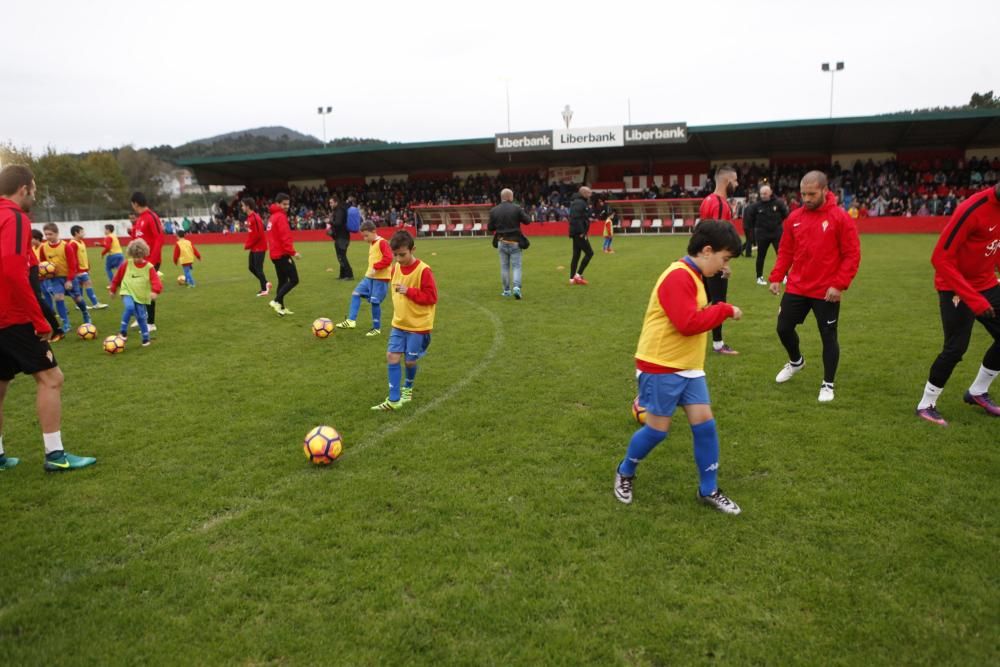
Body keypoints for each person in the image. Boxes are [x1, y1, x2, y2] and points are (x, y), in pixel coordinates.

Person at [612, 220, 744, 514]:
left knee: (705, 427)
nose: (725, 266)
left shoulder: (695, 275)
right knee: (658, 431)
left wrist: (717, 278)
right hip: (661, 365)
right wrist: (724, 309)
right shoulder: (678, 276)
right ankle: (625, 471)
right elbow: (687, 324)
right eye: (724, 258)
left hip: (688, 366)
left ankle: (708, 489)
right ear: (707, 251)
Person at [0, 164, 97, 471]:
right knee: (51, 378)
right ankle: (55, 456)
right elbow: (12, 271)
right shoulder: (15, 217)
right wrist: (40, 320)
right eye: (35, 189)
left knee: (0, 384)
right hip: (12, 315)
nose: (35, 194)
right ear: (23, 188)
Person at [768, 171, 861, 403]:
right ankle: (796, 361)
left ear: (825, 191)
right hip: (797, 286)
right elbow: (786, 250)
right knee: (783, 328)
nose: (807, 198)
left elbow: (852, 255)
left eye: (812, 194)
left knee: (828, 336)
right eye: (803, 194)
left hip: (826, 290)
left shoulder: (840, 218)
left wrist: (839, 285)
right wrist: (776, 276)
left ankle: (828, 384)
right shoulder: (794, 218)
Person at [915, 183, 1000, 425]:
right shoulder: (972, 209)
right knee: (956, 348)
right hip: (955, 286)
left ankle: (978, 391)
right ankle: (926, 404)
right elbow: (939, 258)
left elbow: (995, 247)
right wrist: (973, 299)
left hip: (986, 283)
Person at [371, 230, 438, 411]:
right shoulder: (395, 268)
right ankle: (393, 400)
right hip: (399, 324)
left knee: (409, 361)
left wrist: (409, 291)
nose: (399, 259)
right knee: (392, 356)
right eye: (395, 255)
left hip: (418, 326)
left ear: (412, 249)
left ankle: (407, 387)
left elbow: (432, 297)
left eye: (403, 254)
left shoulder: (424, 270)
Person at [698, 166, 739, 355]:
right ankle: (718, 344)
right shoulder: (721, 204)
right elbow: (720, 237)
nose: (737, 184)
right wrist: (724, 265)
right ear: (726, 181)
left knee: (702, 299)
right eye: (735, 181)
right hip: (713, 261)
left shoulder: (707, 200)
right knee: (719, 302)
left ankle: (688, 331)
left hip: (702, 258)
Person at [336, 221, 392, 336]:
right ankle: (351, 321)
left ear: (374, 231)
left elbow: (389, 258)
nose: (365, 239)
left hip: (380, 278)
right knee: (356, 293)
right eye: (363, 236)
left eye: (366, 236)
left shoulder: (382, 243)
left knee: (375, 302)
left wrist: (376, 268)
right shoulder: (373, 243)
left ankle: (376, 328)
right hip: (369, 277)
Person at [39, 222, 91, 334]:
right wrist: (45, 276)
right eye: (46, 234)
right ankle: (65, 323)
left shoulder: (66, 246)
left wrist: (69, 280)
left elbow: (73, 265)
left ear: (57, 233)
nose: (48, 237)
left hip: (69, 277)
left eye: (50, 234)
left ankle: (85, 312)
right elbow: (43, 264)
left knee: (78, 299)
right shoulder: (44, 247)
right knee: (58, 297)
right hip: (55, 279)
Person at [109, 239, 162, 347]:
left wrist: (155, 291)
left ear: (144, 254)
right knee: (129, 307)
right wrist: (113, 289)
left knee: (141, 317)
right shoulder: (126, 264)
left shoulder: (149, 267)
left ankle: (145, 338)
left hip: (141, 295)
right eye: (134, 256)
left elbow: (156, 281)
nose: (137, 259)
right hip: (127, 291)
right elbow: (117, 277)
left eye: (139, 256)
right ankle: (123, 331)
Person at [487, 187, 530, 298]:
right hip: (515, 241)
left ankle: (506, 291)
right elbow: (528, 221)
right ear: (511, 197)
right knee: (516, 266)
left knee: (504, 267)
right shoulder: (516, 208)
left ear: (502, 198)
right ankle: (516, 287)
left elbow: (490, 228)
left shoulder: (494, 210)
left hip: (501, 241)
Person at [130, 192, 164, 331]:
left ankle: (150, 323)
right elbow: (138, 237)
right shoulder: (140, 219)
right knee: (138, 289)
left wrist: (152, 260)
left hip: (150, 261)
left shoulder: (151, 216)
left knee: (147, 290)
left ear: (135, 203)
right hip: (139, 261)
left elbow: (159, 238)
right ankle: (141, 317)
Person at [743, 185, 788, 285]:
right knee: (761, 256)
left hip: (777, 233)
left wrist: (777, 223)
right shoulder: (756, 206)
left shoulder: (779, 203)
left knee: (781, 255)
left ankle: (785, 276)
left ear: (770, 193)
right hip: (762, 234)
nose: (763, 196)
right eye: (761, 194)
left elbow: (786, 214)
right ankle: (759, 277)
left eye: (765, 193)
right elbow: (750, 220)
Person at [266, 193, 301, 316]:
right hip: (282, 254)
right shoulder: (280, 217)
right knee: (294, 280)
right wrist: (293, 252)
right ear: (277, 204)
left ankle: (280, 308)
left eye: (288, 204)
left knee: (282, 281)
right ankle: (275, 301)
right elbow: (284, 237)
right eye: (284, 204)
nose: (287, 206)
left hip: (274, 254)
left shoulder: (273, 217)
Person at [69, 225, 108, 309]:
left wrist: (88, 268)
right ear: (76, 233)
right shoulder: (73, 244)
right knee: (88, 284)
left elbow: (84, 256)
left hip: (83, 269)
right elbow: (72, 258)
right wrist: (76, 271)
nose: (84, 233)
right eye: (82, 232)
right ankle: (95, 303)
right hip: (79, 271)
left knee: (80, 287)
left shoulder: (81, 242)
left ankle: (79, 305)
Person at [241, 199, 270, 296]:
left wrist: (248, 245)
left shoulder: (255, 218)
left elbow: (258, 235)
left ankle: (264, 289)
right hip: (254, 248)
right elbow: (251, 233)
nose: (242, 207)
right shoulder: (249, 218)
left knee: (258, 269)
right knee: (251, 267)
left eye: (243, 205)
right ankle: (266, 283)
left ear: (248, 206)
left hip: (260, 248)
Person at [568, 186, 595, 285]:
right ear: (583, 193)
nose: (590, 194)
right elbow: (576, 218)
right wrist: (582, 232)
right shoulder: (580, 203)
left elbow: (581, 216)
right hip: (579, 233)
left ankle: (572, 278)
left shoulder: (578, 202)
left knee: (576, 255)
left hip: (576, 232)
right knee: (590, 253)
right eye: (589, 193)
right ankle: (578, 275)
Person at [328, 195, 353, 280]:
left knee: (341, 256)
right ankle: (342, 275)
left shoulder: (339, 210)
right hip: (341, 236)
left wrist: (330, 221)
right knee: (341, 256)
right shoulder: (339, 210)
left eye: (331, 202)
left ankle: (349, 275)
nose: (330, 204)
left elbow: (338, 223)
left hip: (342, 237)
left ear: (336, 202)